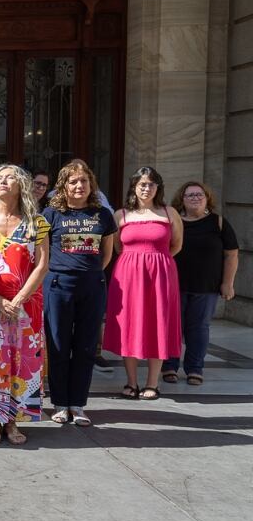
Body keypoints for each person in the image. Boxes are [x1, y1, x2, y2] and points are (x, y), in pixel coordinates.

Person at [0, 165, 50, 445]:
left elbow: (42, 265)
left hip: (26, 307)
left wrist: (18, 300)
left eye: (11, 177)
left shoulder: (36, 222)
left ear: (22, 186)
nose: (4, 181)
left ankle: (13, 420)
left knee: (21, 361)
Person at [42, 161, 115, 427]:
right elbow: (43, 252)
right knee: (59, 345)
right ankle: (60, 403)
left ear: (91, 184)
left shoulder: (102, 215)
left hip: (92, 285)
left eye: (84, 181)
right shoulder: (51, 214)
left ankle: (78, 404)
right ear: (63, 185)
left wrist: (89, 273)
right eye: (73, 181)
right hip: (58, 285)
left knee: (85, 347)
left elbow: (106, 254)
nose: (79, 186)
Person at [103, 166, 183, 401]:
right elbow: (117, 247)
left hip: (161, 274)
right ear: (134, 187)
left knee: (158, 323)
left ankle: (152, 383)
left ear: (158, 187)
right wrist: (136, 260)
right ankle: (131, 382)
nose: (146, 188)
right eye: (142, 184)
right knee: (130, 324)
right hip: (128, 275)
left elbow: (176, 245)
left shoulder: (169, 213)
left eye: (151, 184)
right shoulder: (121, 215)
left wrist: (155, 260)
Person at [162, 181, 238, 386]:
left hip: (207, 287)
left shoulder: (218, 223)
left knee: (199, 328)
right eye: (190, 195)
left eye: (199, 195)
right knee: (172, 328)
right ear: (182, 200)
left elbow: (231, 254)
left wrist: (227, 283)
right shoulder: (174, 221)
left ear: (207, 198)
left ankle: (195, 369)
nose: (195, 198)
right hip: (174, 285)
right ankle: (169, 366)